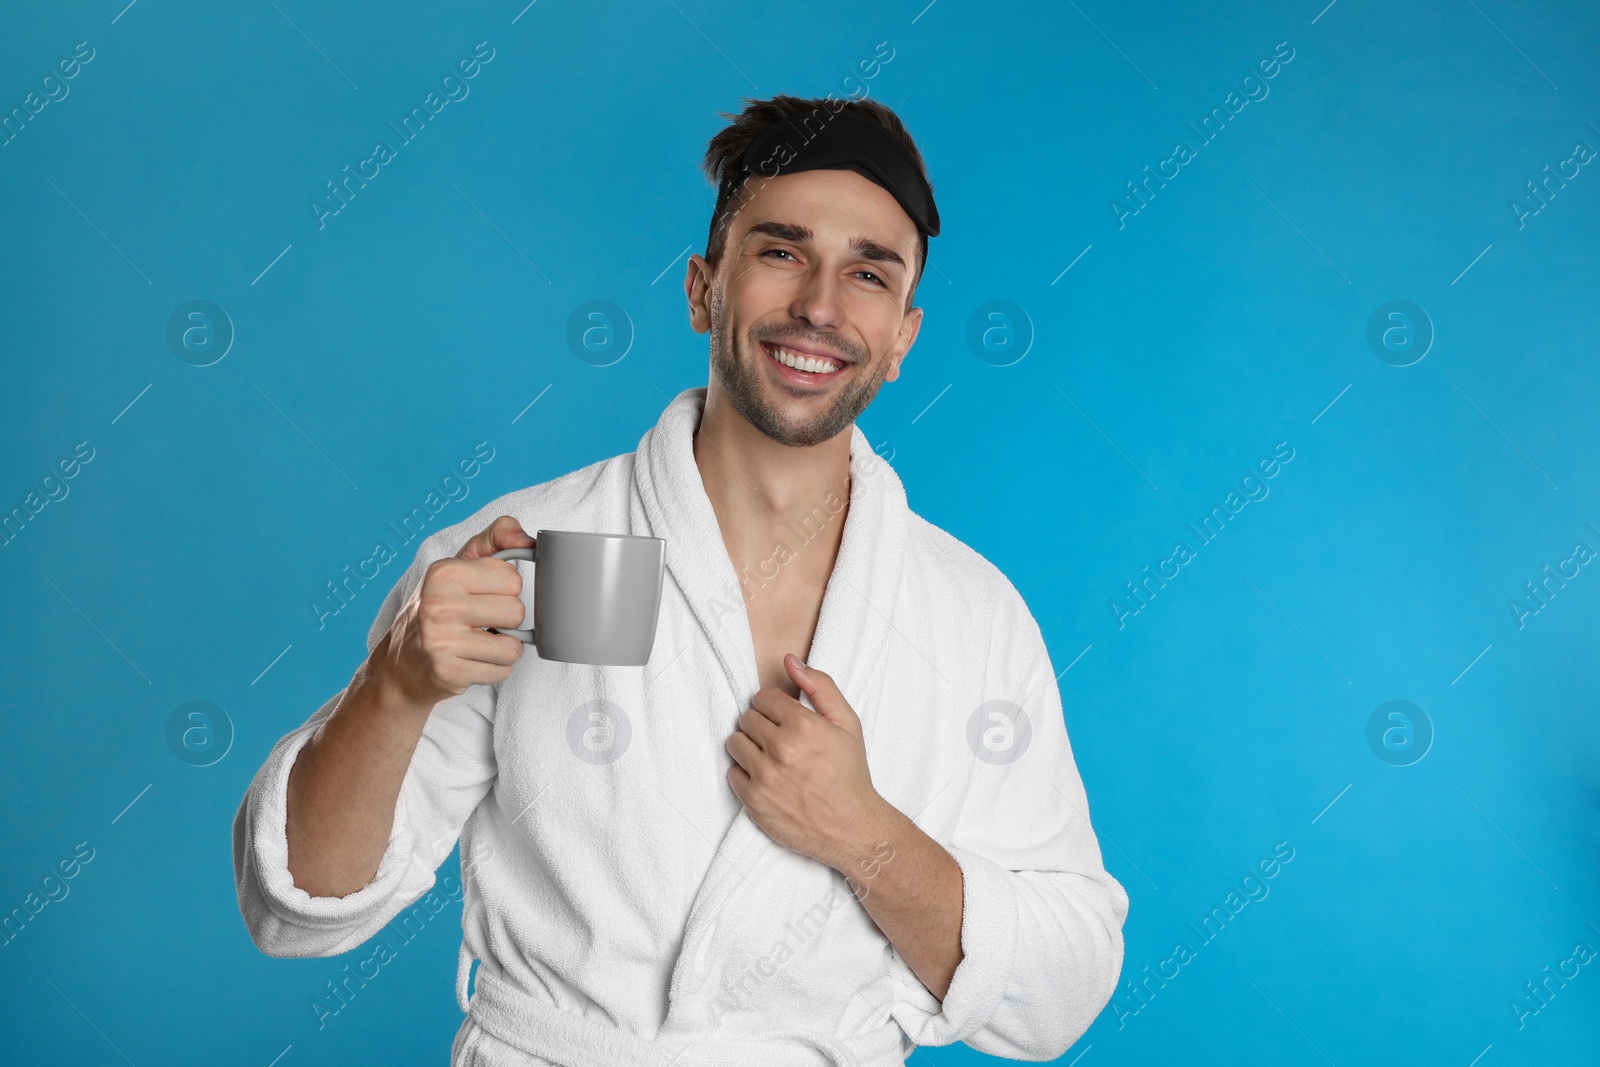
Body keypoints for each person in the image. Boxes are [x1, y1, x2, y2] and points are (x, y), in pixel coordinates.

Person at [233, 94, 1128, 1066]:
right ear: (702, 288)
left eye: (867, 273)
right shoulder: (528, 556)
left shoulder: (966, 611)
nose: (821, 307)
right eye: (781, 252)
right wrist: (395, 687)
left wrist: (863, 833)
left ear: (904, 334)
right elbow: (298, 908)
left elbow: (1059, 994)